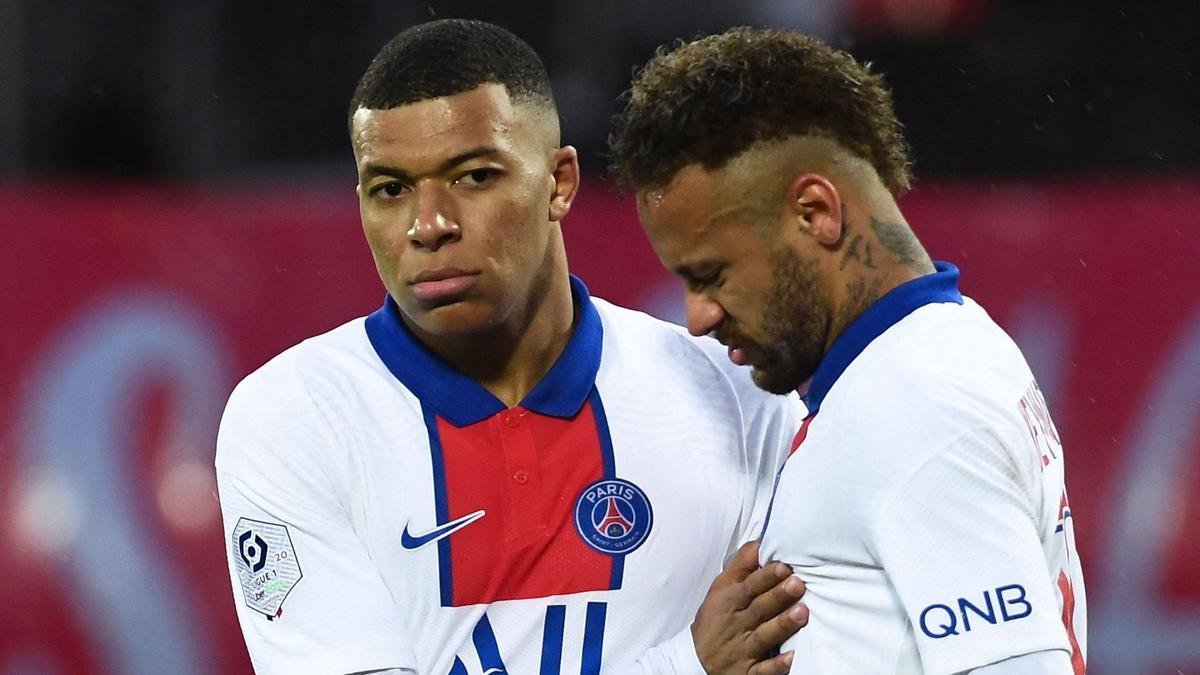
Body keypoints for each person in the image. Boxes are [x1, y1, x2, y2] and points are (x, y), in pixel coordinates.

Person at [216, 19, 810, 675]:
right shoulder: (297, 417)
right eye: (391, 189)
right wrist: (685, 666)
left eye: (472, 177)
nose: (429, 224)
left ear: (559, 183)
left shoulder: (735, 396)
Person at [609, 27, 1087, 675]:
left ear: (815, 212)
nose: (699, 317)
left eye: (712, 274)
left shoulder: (913, 401)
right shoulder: (943, 347)